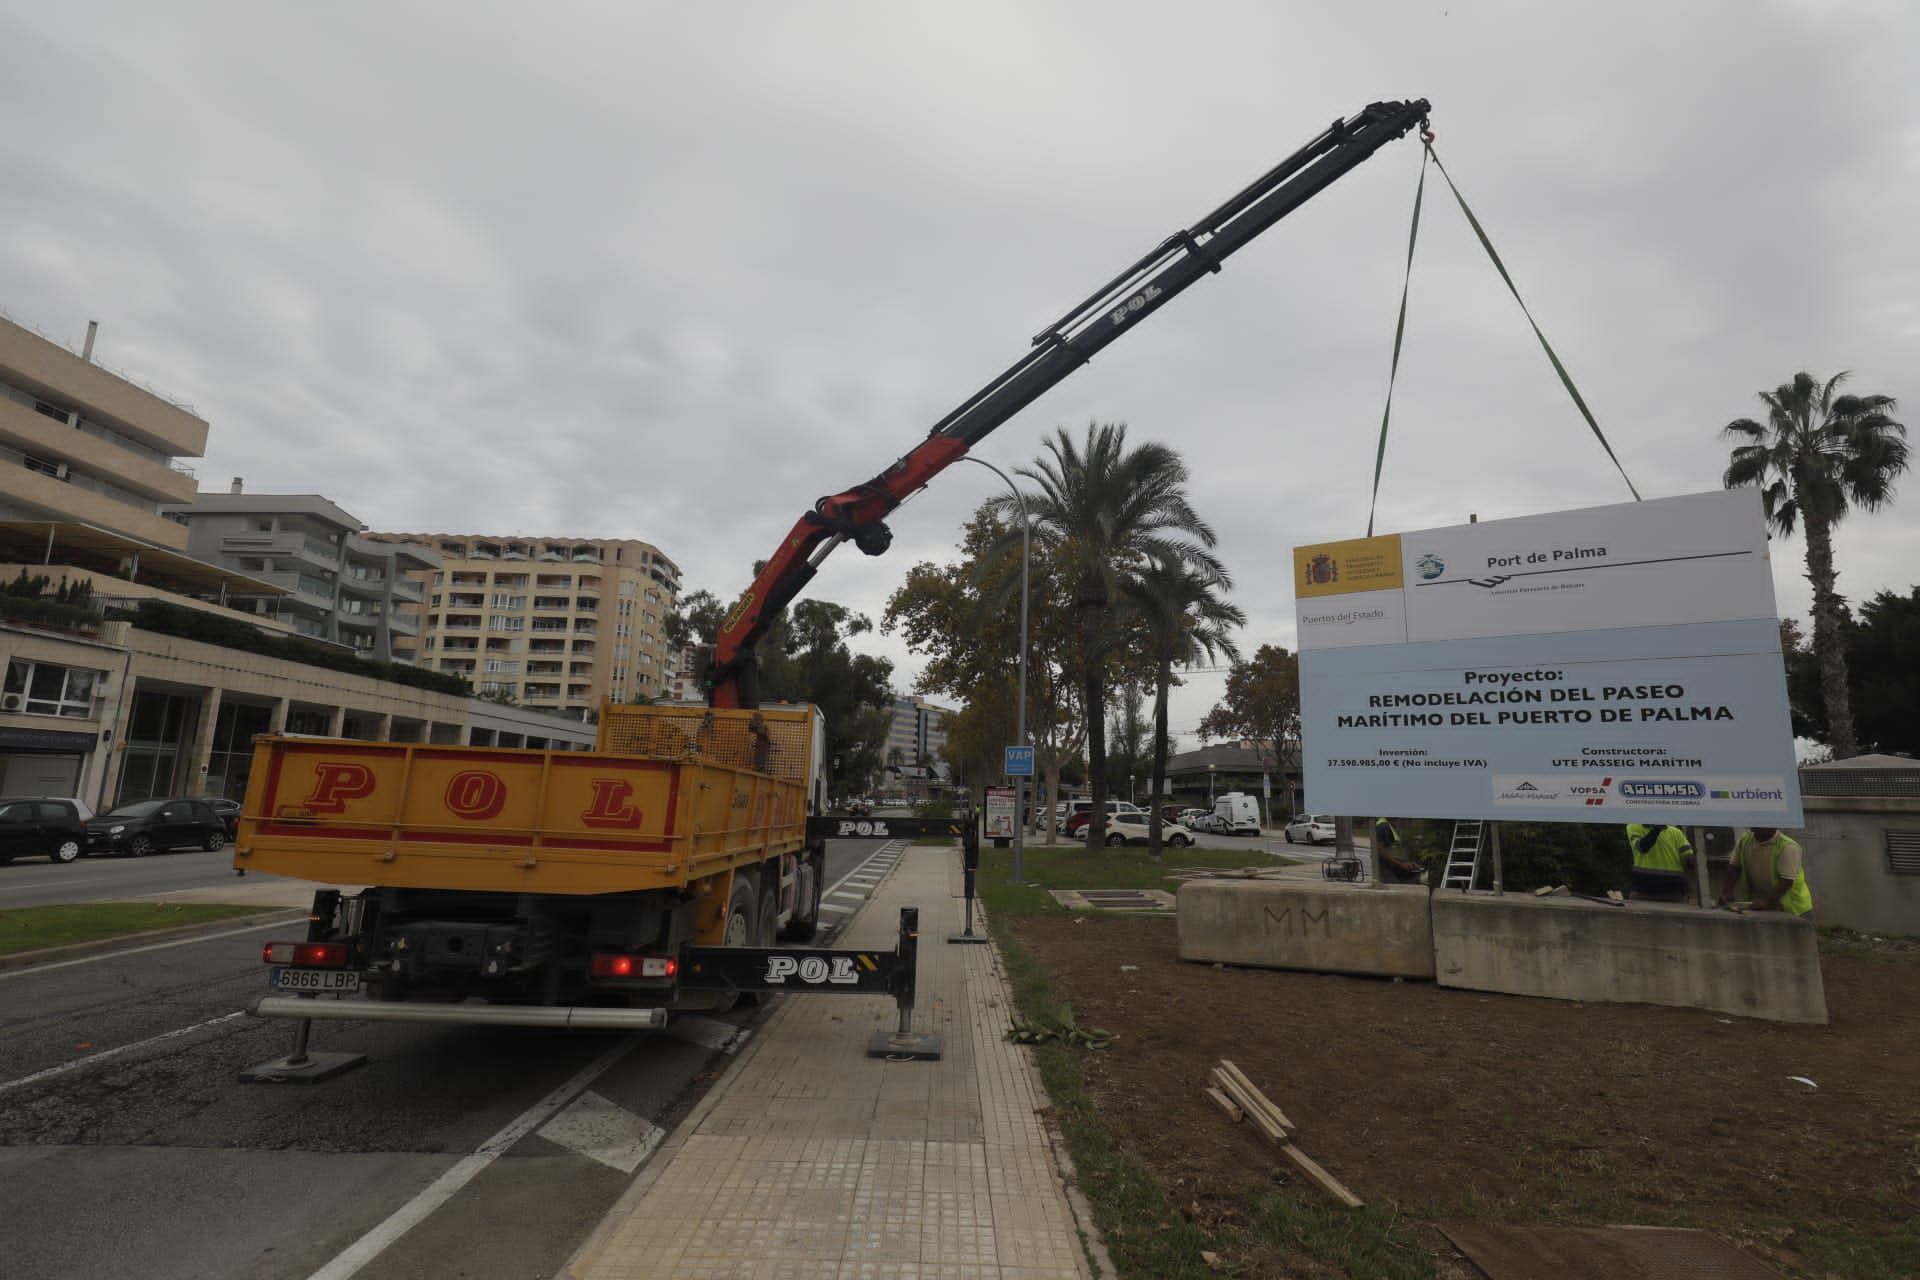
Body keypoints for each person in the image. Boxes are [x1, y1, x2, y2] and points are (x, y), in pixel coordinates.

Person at [1718, 827, 1813, 916]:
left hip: (1793, 908)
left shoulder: (1788, 847)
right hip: (1764, 905)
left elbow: (1786, 882)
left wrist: (1765, 901)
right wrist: (1727, 890)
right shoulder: (1745, 840)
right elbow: (1734, 867)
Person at [1373, 817, 1424, 884]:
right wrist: (1401, 864)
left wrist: (1407, 863)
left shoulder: (1388, 825)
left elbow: (1392, 852)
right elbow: (1379, 849)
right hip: (1386, 871)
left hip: (1390, 869)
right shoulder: (1384, 827)